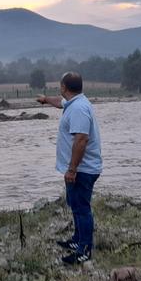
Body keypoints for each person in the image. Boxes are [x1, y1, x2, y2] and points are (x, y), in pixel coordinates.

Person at [37, 72, 103, 265]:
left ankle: (84, 250)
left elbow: (81, 139)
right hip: (78, 169)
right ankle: (77, 240)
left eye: (60, 85)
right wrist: (45, 100)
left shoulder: (79, 109)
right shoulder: (74, 103)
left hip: (82, 170)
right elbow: (60, 102)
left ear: (64, 86)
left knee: (82, 208)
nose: (60, 89)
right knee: (75, 204)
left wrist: (72, 169)